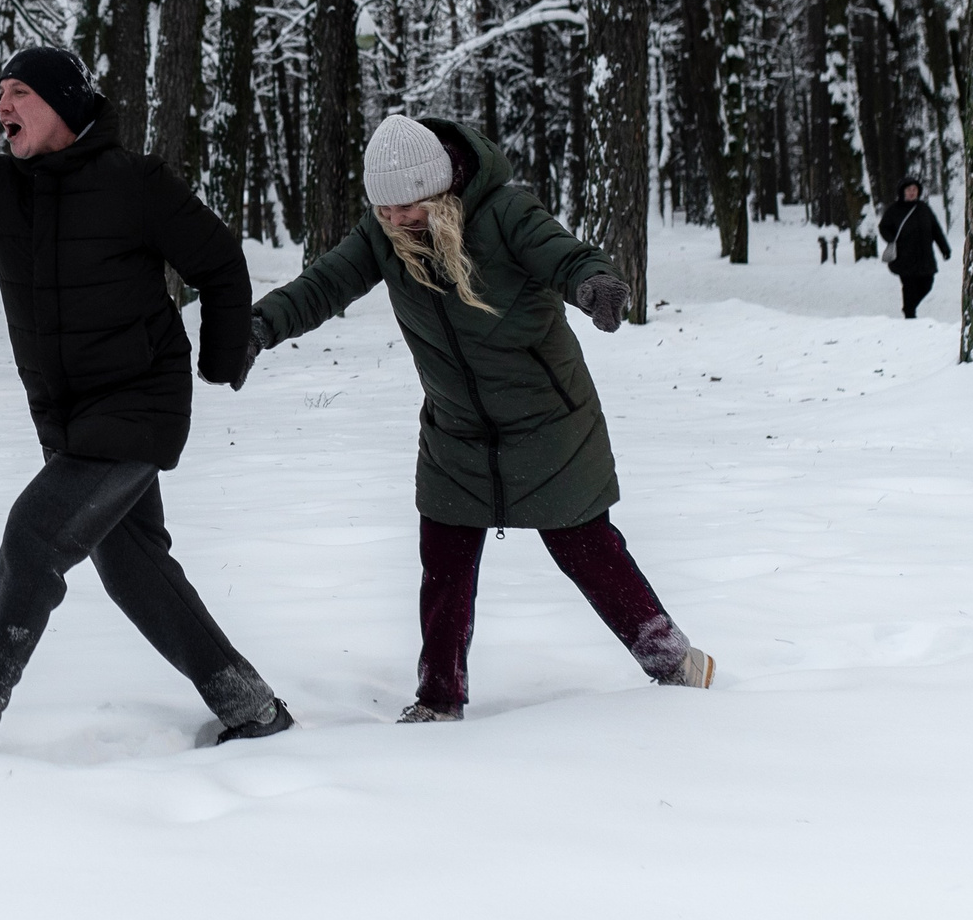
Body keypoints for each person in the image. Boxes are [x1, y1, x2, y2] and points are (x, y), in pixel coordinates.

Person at [0, 46, 290, 749]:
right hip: (71, 420)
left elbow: (220, 262)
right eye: (0, 94)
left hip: (140, 405)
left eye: (19, 92)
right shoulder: (1, 189)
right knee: (135, 570)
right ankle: (252, 706)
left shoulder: (134, 183)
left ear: (65, 104)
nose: (2, 107)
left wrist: (221, 357)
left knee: (33, 535)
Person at [251, 114, 715, 723]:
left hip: (548, 422)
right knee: (442, 563)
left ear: (439, 189)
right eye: (383, 209)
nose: (394, 221)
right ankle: (439, 700)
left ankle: (677, 663)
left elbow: (564, 255)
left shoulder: (505, 214)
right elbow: (322, 286)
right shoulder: (383, 235)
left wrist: (594, 283)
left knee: (587, 549)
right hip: (457, 430)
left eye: (407, 208)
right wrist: (258, 328)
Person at [878, 175, 952, 319]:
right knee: (909, 287)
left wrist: (945, 249)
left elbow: (936, 230)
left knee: (927, 284)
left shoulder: (924, 209)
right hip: (903, 257)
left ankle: (909, 308)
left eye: (915, 189)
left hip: (925, 256)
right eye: (909, 189)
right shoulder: (894, 210)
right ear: (902, 192)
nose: (912, 192)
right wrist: (891, 239)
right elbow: (883, 227)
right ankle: (910, 315)